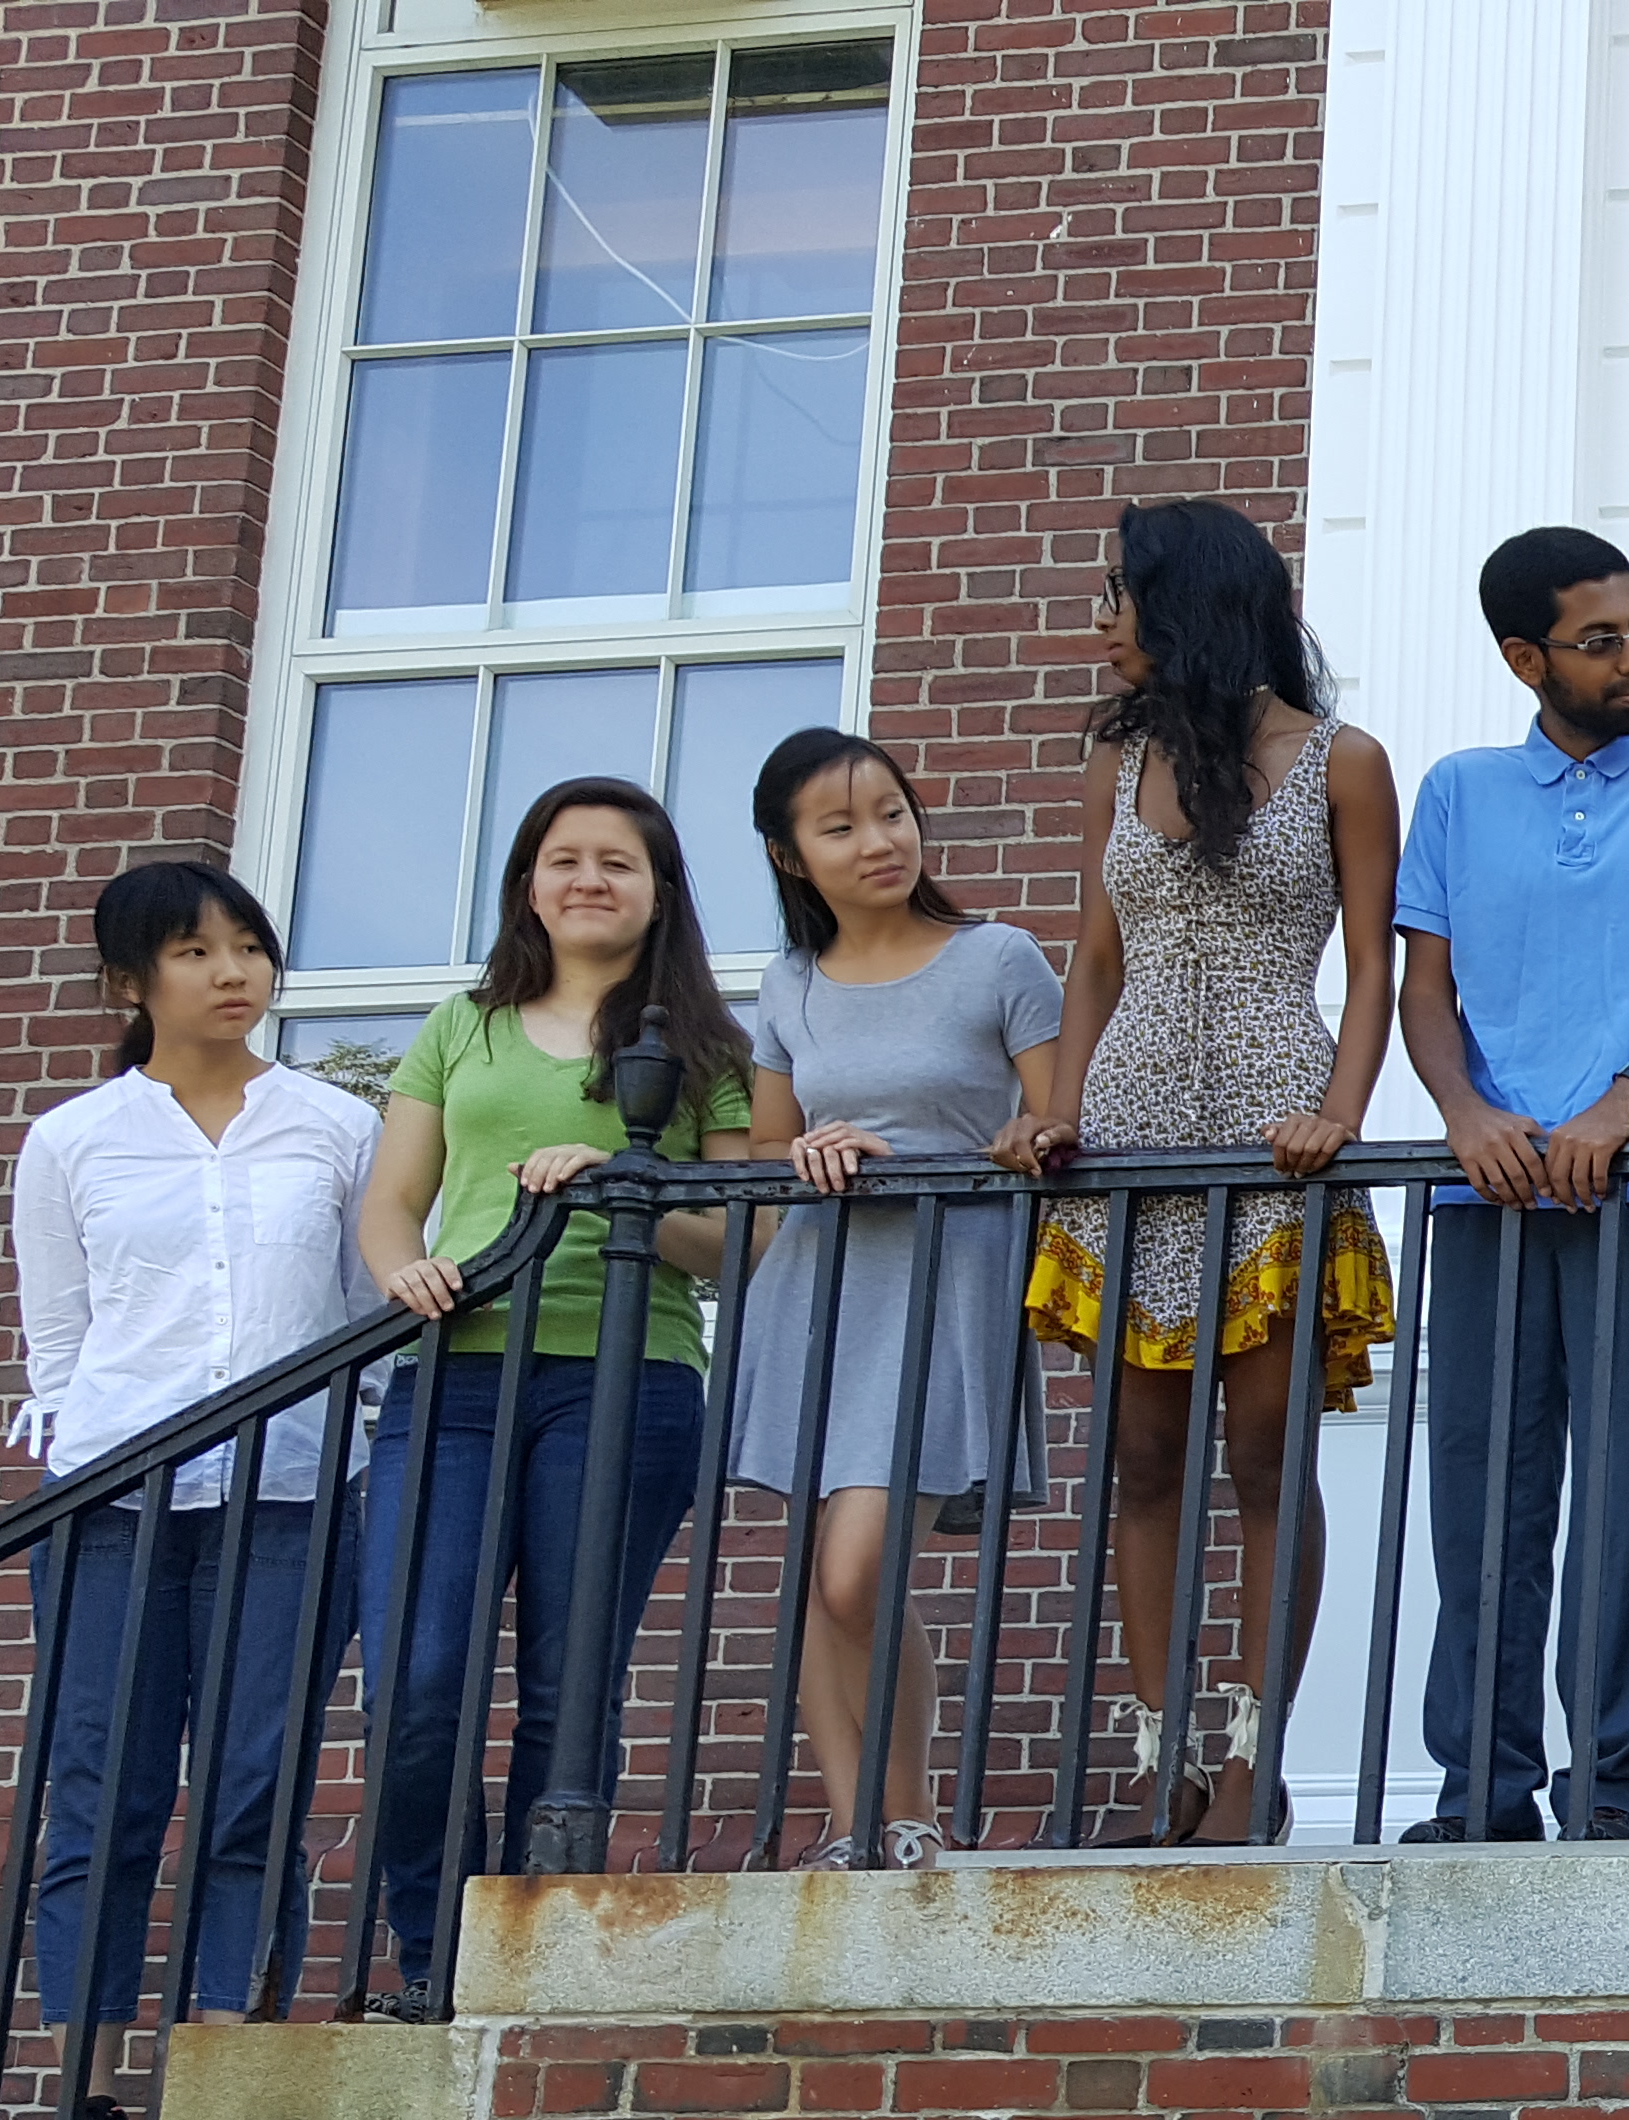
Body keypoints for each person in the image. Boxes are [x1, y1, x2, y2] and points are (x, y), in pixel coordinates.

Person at [1016, 497, 1402, 1843]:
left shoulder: (1345, 761)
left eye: (1119, 594)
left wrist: (1340, 1113)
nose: (1102, 622)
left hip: (1275, 1116)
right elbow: (1095, 955)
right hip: (1131, 1126)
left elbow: (1371, 965)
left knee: (1263, 1453)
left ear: (1190, 602)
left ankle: (1251, 1759)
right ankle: (1162, 1754)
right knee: (1140, 1458)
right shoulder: (1115, 761)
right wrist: (1060, 1109)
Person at [354, 778, 753, 2013]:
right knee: (417, 1685)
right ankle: (434, 1956)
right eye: (564, 858)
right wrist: (402, 1271)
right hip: (452, 1376)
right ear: (528, 882)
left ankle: (526, 1963)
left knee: (567, 1696)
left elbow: (735, 1244)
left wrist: (625, 1182)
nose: (589, 879)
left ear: (659, 892)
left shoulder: (706, 1050)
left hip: (627, 1384)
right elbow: (391, 1203)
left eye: (618, 862)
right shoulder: (459, 1027)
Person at [1396, 525, 1629, 1842]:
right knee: (1481, 1505)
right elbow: (1424, 991)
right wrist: (1464, 1115)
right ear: (1525, 658)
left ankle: (1610, 1794)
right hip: (1487, 1198)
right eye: (1600, 641)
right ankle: (1479, 1797)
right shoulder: (1457, 792)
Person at [8, 862, 383, 2100]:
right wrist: (82, 1462)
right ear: (131, 981)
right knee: (101, 1784)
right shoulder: (73, 1141)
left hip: (291, 1493)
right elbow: (58, 1345)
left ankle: (229, 2073)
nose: (234, 973)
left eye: (249, 947)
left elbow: (367, 1313)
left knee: (253, 1783)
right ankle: (82, 2094)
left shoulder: (337, 1127)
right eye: (195, 952)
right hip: (111, 1507)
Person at [723, 730, 1066, 1869]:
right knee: (823, 1578)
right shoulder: (789, 982)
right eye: (841, 827)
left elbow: (1058, 1122)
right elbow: (762, 1146)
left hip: (947, 1283)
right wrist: (807, 1150)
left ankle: (906, 1814)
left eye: (892, 814)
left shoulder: (1000, 957)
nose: (879, 841)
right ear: (790, 857)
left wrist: (1026, 1138)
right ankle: (852, 1826)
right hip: (819, 1287)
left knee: (858, 1570)